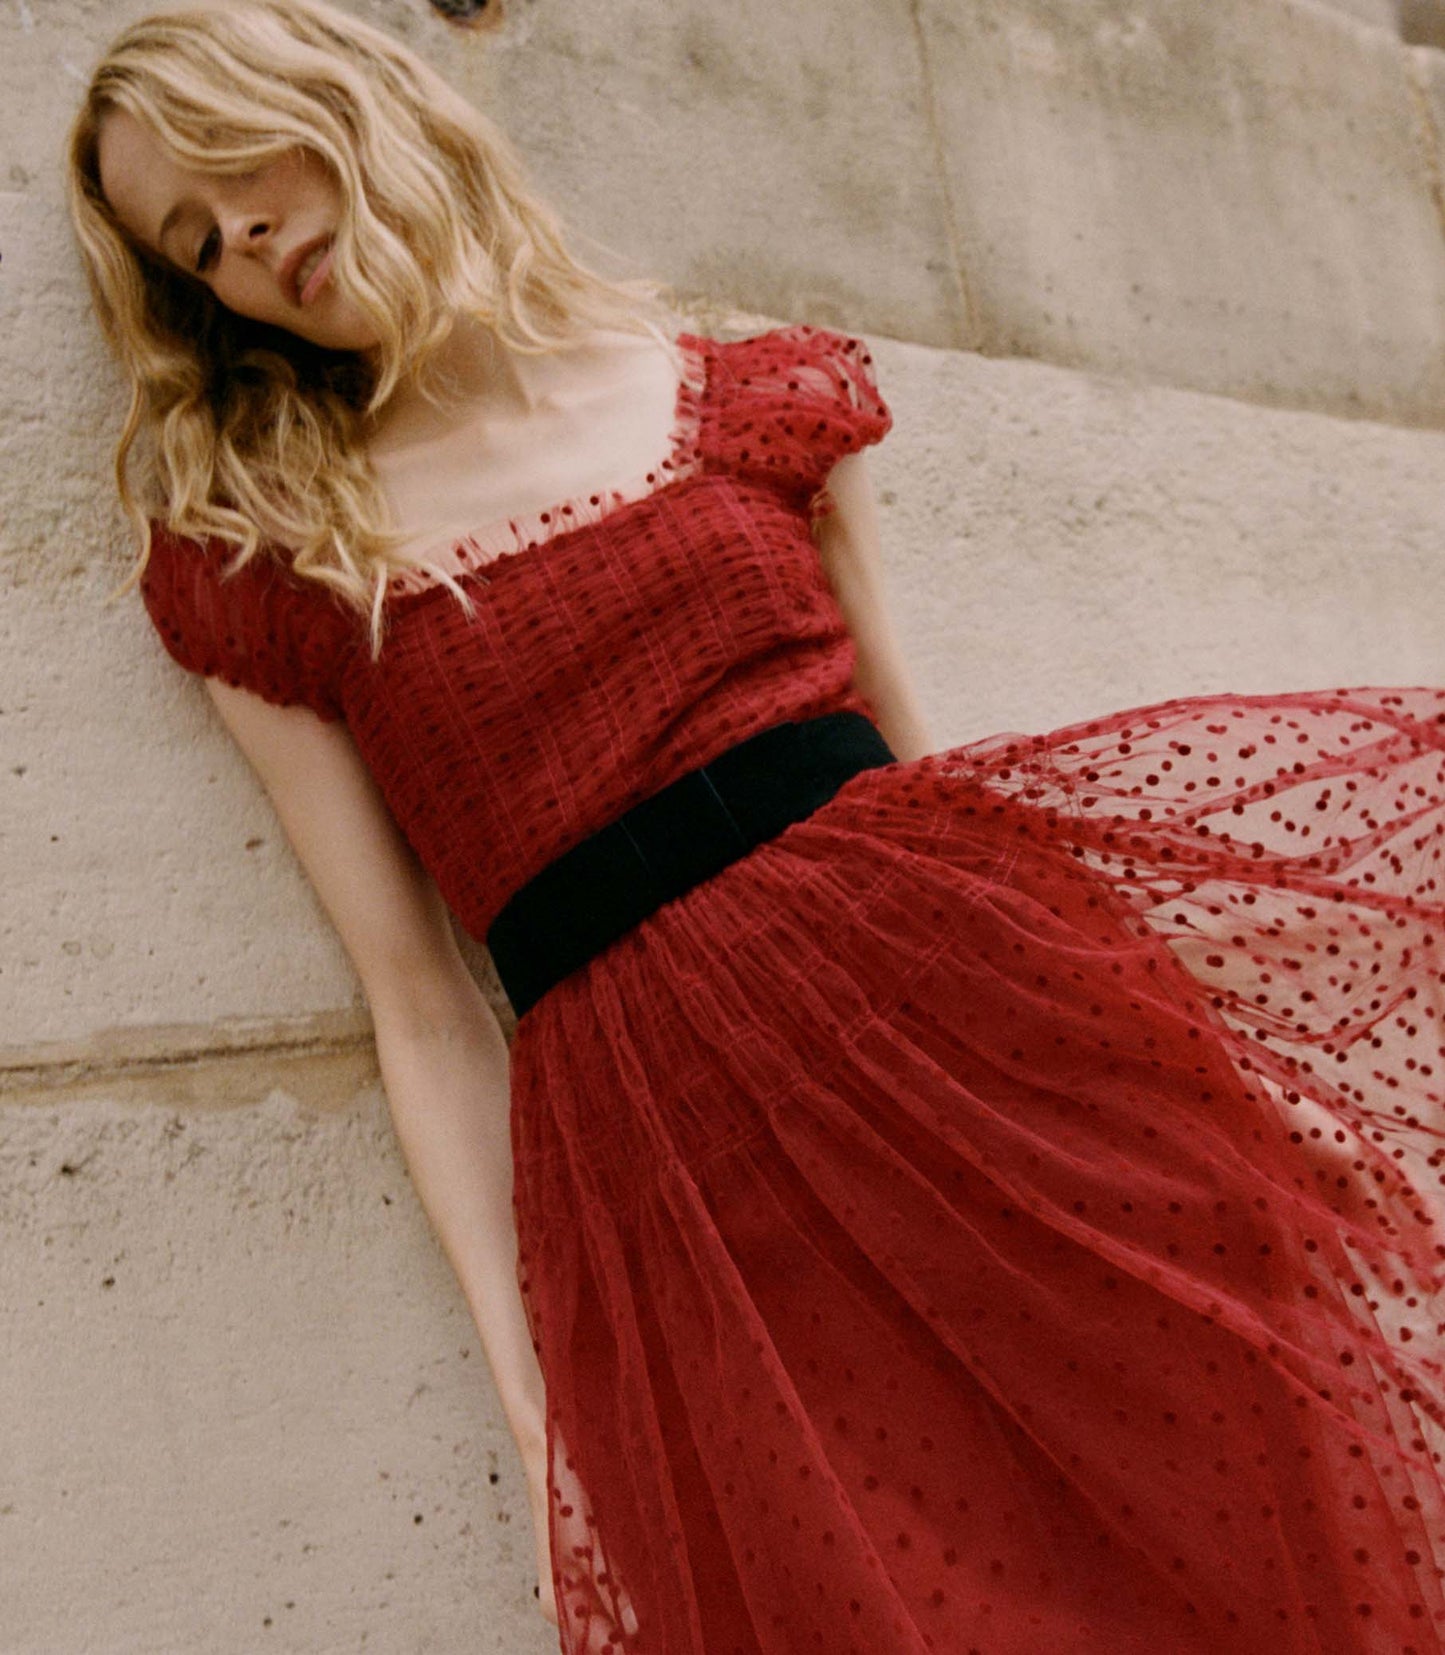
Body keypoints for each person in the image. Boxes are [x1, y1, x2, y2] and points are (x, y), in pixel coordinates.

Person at [66, 2, 1445, 1650]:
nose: (241, 238)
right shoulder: (270, 556)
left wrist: (1197, 1072)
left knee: (1218, 1513)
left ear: (353, 105)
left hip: (975, 1054)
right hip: (677, 1171)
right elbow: (419, 1007)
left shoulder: (748, 397)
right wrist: (531, 1400)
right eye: (192, 241)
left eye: (239, 170)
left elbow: (943, 796)